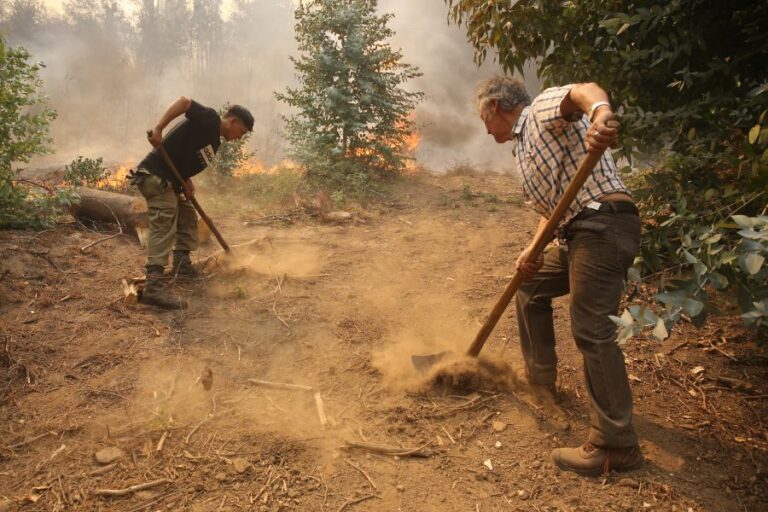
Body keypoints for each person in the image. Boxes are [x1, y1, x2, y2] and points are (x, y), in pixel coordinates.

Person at [476, 76, 642, 476]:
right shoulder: (524, 150)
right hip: (576, 233)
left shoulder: (539, 114)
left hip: (602, 224)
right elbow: (551, 212)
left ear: (497, 106)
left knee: (592, 329)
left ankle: (615, 445)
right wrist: (533, 250)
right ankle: (541, 381)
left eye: (484, 117)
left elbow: (584, 91)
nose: (484, 128)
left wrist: (601, 114)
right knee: (530, 285)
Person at [130, 97, 254, 309]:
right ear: (232, 122)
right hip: (156, 177)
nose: (238, 138)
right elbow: (184, 102)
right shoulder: (210, 119)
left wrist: (187, 181)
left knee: (187, 214)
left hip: (171, 181)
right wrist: (158, 128)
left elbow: (182, 155)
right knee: (164, 225)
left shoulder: (214, 140)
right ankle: (154, 287)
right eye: (240, 132)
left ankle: (182, 266)